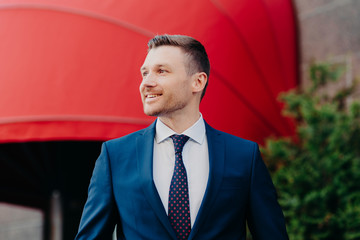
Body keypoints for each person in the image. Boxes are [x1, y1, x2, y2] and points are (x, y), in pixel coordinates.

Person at [75, 34, 288, 240]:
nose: (146, 83)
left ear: (198, 81)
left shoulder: (244, 156)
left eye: (161, 71)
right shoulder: (115, 156)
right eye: (145, 73)